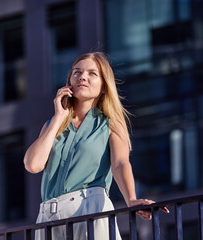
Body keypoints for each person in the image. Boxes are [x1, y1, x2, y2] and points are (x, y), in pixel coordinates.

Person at [24, 52, 169, 240]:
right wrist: (59, 117)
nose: (82, 76)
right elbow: (32, 165)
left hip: (89, 208)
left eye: (92, 73)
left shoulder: (110, 124)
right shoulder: (52, 125)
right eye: (77, 72)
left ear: (103, 86)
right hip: (47, 218)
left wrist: (131, 199)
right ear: (69, 81)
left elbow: (120, 164)